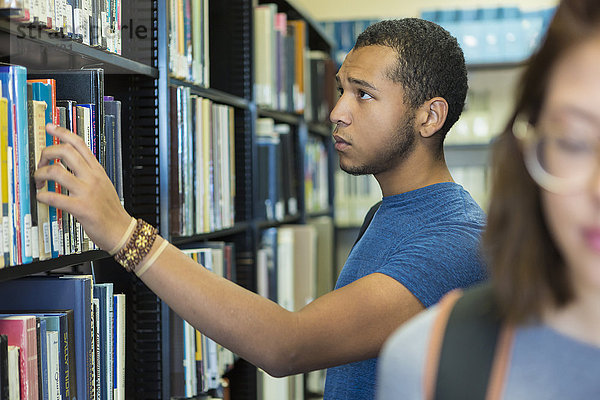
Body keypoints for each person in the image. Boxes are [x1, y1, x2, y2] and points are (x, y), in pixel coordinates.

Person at [34, 19, 486, 400]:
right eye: (341, 90)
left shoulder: (455, 240)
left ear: (430, 117)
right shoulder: (390, 212)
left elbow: (287, 346)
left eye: (363, 95)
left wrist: (124, 233)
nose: (336, 112)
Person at [376, 1, 600, 399]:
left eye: (363, 94)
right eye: (574, 142)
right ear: (525, 147)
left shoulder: (452, 232)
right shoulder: (430, 362)